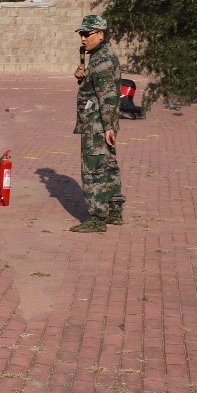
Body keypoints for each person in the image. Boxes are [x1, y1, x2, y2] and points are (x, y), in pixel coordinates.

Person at [70, 15, 125, 233]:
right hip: (101, 121)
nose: (83, 39)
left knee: (94, 169)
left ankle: (97, 217)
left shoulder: (102, 61)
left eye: (87, 34)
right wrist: (82, 78)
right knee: (108, 165)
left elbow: (107, 96)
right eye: (81, 34)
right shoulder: (101, 56)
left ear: (100, 34)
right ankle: (113, 210)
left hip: (96, 124)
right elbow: (98, 89)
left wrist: (108, 126)